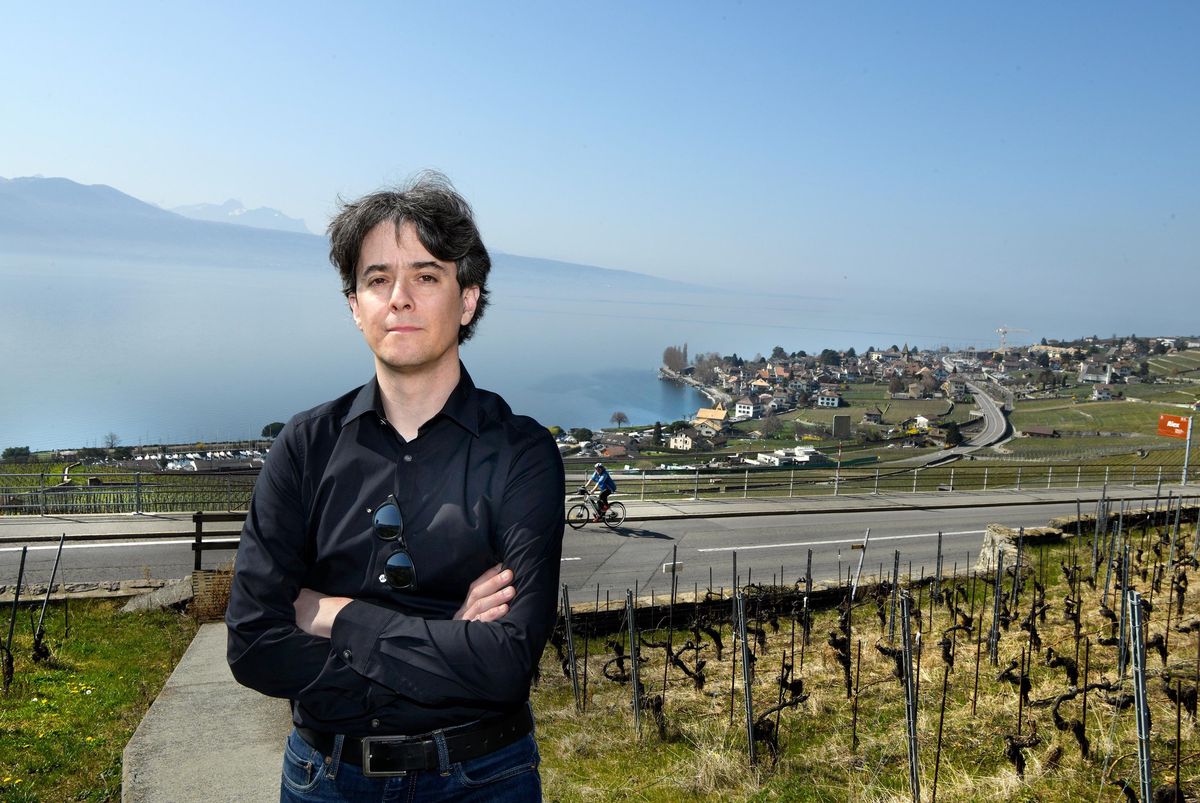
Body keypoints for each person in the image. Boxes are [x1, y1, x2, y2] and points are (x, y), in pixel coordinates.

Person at [225, 172, 565, 802]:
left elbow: (507, 663)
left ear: (467, 300)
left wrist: (336, 615)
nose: (399, 299)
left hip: (482, 780)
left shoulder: (522, 453)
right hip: (325, 780)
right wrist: (450, 645)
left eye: (426, 276)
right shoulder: (305, 445)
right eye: (378, 279)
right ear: (355, 306)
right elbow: (253, 645)